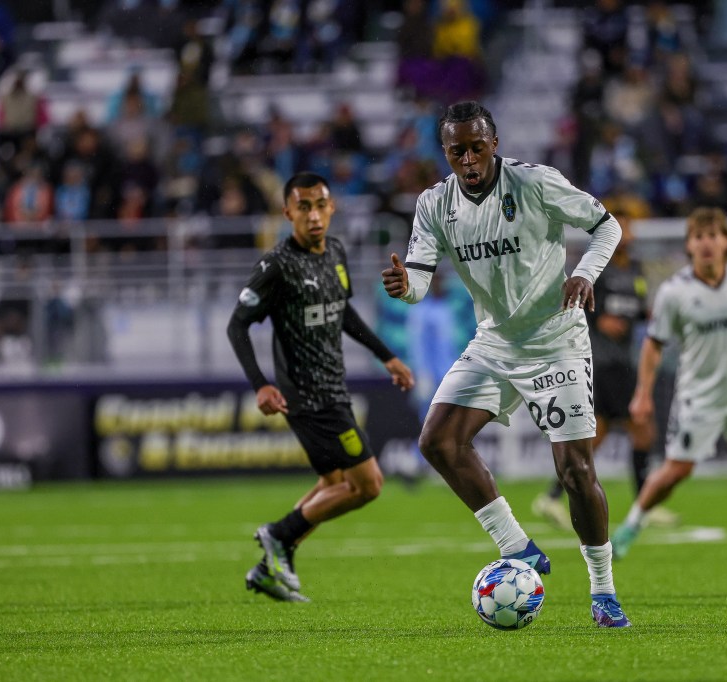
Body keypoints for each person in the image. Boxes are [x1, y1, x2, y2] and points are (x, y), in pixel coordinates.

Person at [381, 101, 631, 628]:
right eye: (457, 151)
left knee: (575, 471)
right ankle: (518, 548)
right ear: (445, 152)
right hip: (494, 342)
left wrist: (585, 273)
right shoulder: (434, 205)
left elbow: (607, 226)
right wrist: (407, 290)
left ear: (494, 142)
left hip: (555, 340)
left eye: (476, 146)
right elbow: (422, 277)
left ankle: (604, 591)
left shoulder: (535, 183)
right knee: (438, 440)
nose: (468, 159)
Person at [228, 172, 414, 602]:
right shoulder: (276, 266)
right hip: (309, 396)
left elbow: (343, 311)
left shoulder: (335, 251)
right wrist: (260, 385)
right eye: (304, 207)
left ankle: (270, 567)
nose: (313, 215)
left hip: (335, 385)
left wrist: (387, 355)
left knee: (332, 482)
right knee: (368, 485)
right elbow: (237, 325)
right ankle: (278, 535)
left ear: (332, 209)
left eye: (320, 205)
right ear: (288, 212)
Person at [610, 207, 727, 560]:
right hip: (698, 396)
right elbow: (653, 344)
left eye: (713, 236)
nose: (706, 243)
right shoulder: (674, 292)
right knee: (677, 470)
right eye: (699, 237)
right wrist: (643, 394)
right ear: (689, 246)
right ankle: (630, 526)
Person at [532, 214, 679, 530]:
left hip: (622, 360)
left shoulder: (635, 271)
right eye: (621, 225)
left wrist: (651, 315)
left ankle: (554, 497)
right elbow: (572, 300)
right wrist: (599, 321)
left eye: (630, 226)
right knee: (640, 427)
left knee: (600, 433)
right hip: (602, 361)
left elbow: (635, 310)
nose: (627, 233)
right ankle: (643, 505)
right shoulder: (597, 267)